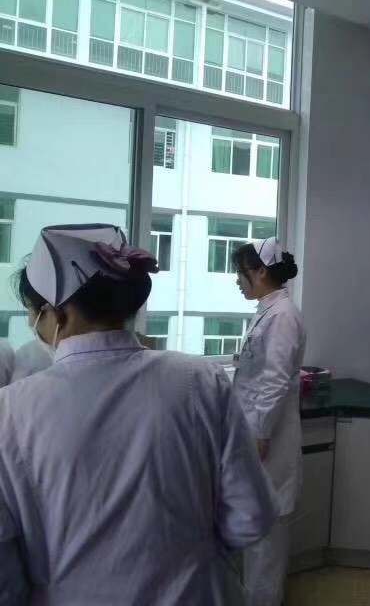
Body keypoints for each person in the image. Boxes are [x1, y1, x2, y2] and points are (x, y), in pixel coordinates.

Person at [0, 224, 280, 604]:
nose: (34, 324)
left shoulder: (11, 411)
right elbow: (251, 517)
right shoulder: (199, 379)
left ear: (54, 313)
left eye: (33, 312)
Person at [232, 238, 306, 606]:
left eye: (241, 273)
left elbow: (275, 379)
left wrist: (261, 434)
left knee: (266, 533)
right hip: (256, 432)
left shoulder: (283, 316)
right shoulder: (268, 310)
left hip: (269, 439)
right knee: (256, 528)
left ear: (261, 271)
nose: (237, 280)